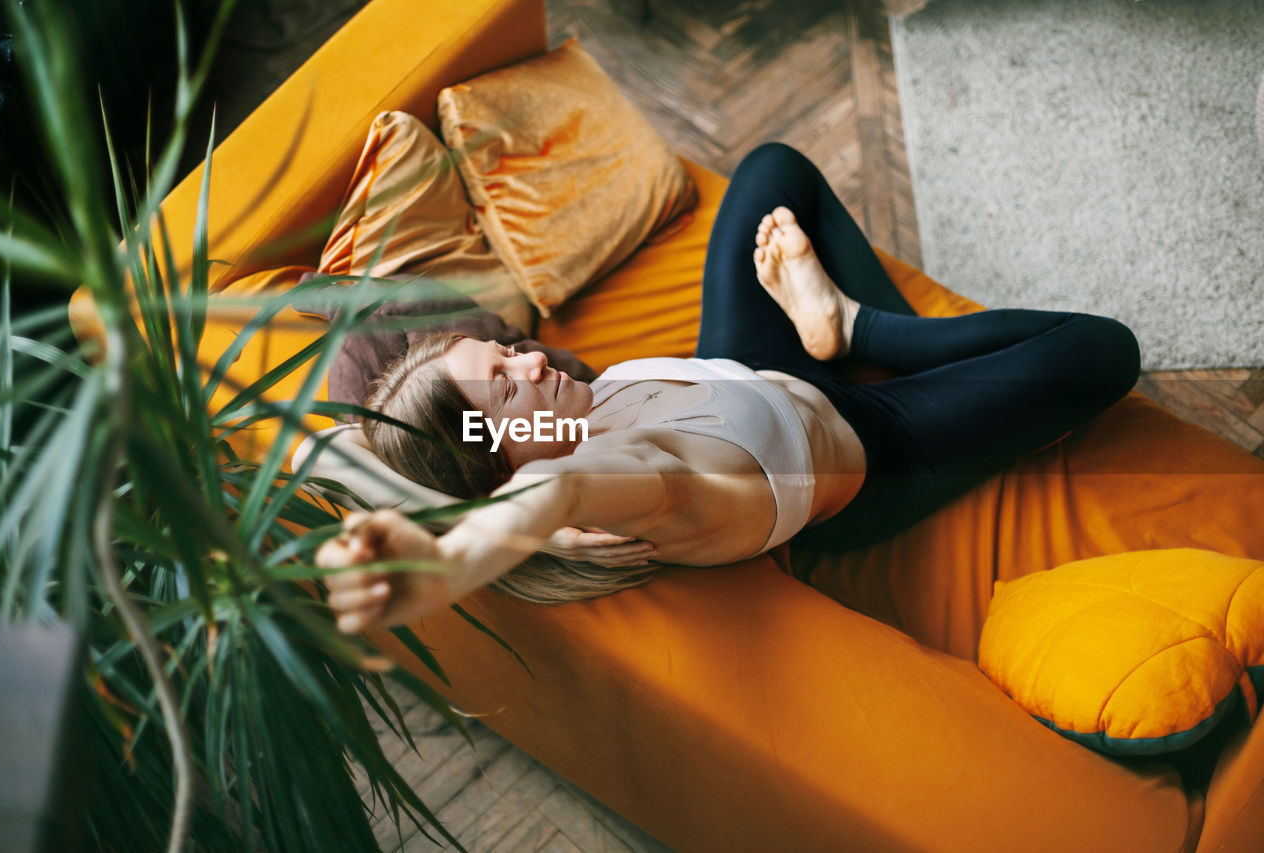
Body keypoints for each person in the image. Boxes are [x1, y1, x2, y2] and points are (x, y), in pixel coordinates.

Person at [317, 142, 1140, 634]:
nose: (531, 361)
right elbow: (550, 493)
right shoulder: (638, 482)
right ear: (503, 460)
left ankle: (825, 328)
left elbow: (332, 443)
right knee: (1101, 349)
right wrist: (462, 551)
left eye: (505, 355)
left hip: (739, 367)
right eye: (505, 386)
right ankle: (857, 331)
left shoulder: (559, 423)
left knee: (772, 169)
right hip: (880, 439)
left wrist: (463, 506)